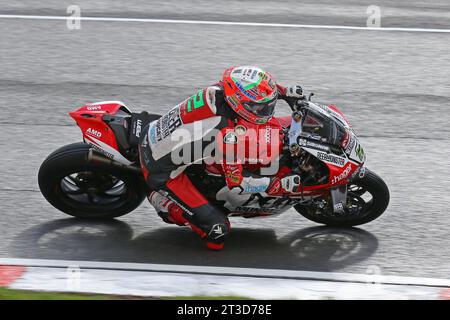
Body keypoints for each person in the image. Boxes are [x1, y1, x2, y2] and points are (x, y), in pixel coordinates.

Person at [139, 66, 303, 250]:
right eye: (261, 107)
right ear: (239, 103)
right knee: (218, 232)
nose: (266, 110)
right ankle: (162, 202)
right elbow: (237, 181)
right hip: (161, 171)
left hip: (162, 135)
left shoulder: (223, 89)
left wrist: (285, 93)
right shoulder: (227, 134)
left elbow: (262, 90)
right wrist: (276, 184)